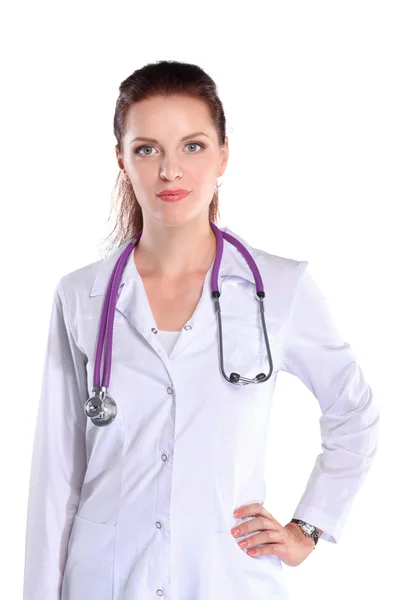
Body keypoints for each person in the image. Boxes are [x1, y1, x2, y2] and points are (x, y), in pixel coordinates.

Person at [23, 60, 380, 600]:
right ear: (121, 159)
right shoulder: (81, 296)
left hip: (228, 578)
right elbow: (56, 477)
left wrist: (308, 527)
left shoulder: (281, 289)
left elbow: (354, 411)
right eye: (147, 149)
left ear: (223, 156)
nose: (171, 171)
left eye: (192, 146)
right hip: (105, 581)